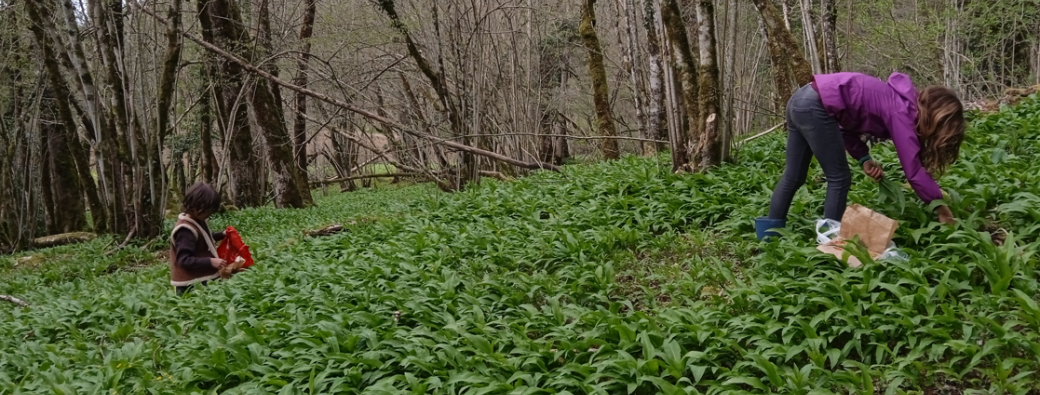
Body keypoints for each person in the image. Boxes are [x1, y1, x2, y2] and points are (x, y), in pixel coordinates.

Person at [756, 72, 966, 240]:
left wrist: (864, 159)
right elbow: (912, 169)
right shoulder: (900, 111)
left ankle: (768, 235)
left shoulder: (896, 101)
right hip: (814, 105)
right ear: (935, 114)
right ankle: (832, 240)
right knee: (839, 178)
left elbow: (845, 128)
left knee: (793, 175)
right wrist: (941, 208)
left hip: (801, 100)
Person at [169, 182, 231, 295]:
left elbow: (203, 238)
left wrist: (221, 234)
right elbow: (184, 260)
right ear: (196, 206)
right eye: (208, 210)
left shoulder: (197, 220)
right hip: (191, 284)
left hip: (201, 278)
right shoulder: (185, 231)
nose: (210, 214)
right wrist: (211, 261)